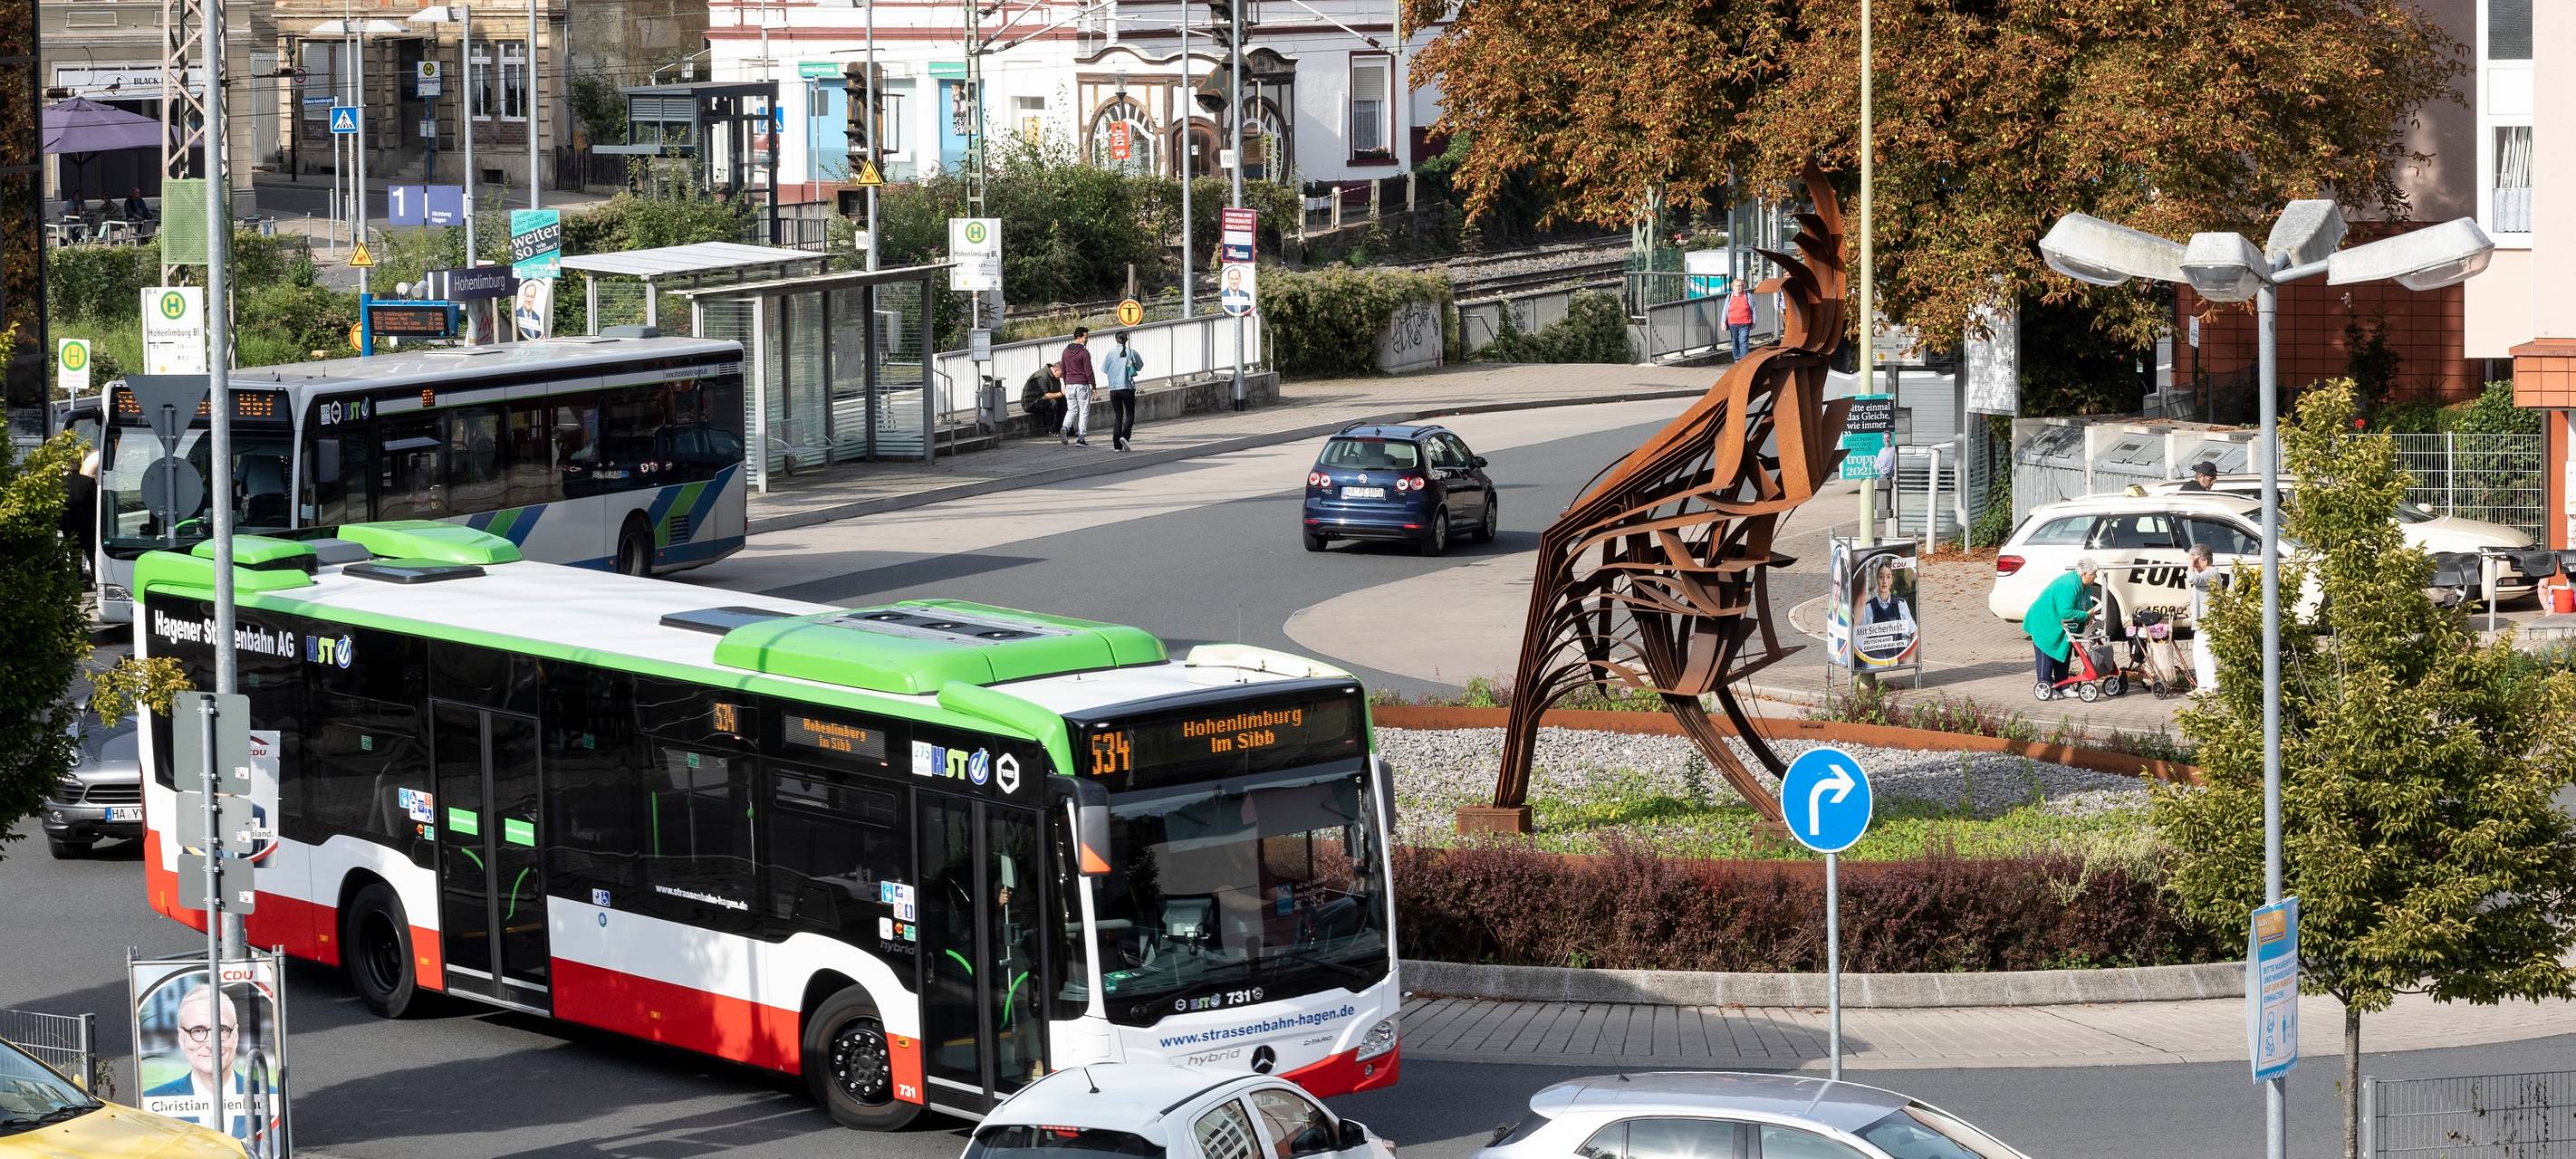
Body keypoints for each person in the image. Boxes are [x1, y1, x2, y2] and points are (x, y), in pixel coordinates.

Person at [145, 983, 263, 1147]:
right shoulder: (150, 1105)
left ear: (235, 1035)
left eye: (221, 1030)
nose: (211, 1044)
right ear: (181, 1038)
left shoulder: (269, 1097)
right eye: (198, 1031)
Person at [2024, 556, 2100, 698]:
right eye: (2094, 574)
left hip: (2062, 625)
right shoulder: (2069, 585)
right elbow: (2066, 611)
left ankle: (2063, 685)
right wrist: (2085, 615)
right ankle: (2046, 685)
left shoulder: (2085, 585)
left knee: (2064, 653)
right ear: (2084, 574)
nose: (2095, 576)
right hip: (2045, 622)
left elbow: (2086, 603)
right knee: (2047, 654)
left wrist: (2089, 614)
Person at [2187, 542, 2225, 691]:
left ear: (2204, 560)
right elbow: (2200, 593)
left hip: (2208, 620)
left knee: (2206, 652)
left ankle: (2213, 685)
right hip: (2201, 620)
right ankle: (2203, 685)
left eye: (2196, 561)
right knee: (2198, 653)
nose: (2194, 565)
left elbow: (2193, 580)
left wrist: (2190, 565)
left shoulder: (2211, 572)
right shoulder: (2204, 575)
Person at [1101, 330, 1144, 451]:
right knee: (1130, 415)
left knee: (1118, 416)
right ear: (1126, 339)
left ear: (1116, 340)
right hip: (1127, 388)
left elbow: (1104, 369)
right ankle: (1125, 437)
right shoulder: (1131, 352)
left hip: (1114, 389)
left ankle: (1117, 445)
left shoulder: (1110, 353)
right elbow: (1140, 366)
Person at [1058, 326, 1096, 446]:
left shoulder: (1065, 351)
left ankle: (1065, 427)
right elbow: (1089, 371)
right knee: (1084, 412)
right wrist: (1094, 386)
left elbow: (1063, 369)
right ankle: (1081, 438)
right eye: (1086, 337)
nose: (1087, 340)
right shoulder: (1084, 353)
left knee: (1072, 410)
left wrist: (1066, 383)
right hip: (1082, 385)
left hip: (1069, 385)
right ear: (1079, 338)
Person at [1020, 363, 1064, 437]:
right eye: (1062, 374)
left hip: (1041, 400)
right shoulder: (1041, 377)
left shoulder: (1055, 377)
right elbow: (1045, 396)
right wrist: (1062, 393)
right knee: (1052, 403)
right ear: (1056, 370)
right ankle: (1050, 430)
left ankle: (1065, 428)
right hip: (1030, 403)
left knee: (1064, 401)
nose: (1063, 376)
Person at [1725, 281, 1756, 360]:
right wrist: (1723, 322)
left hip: (1745, 323)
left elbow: (1753, 309)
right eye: (1736, 286)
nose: (1738, 288)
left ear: (1743, 287)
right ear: (1733, 287)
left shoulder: (1747, 296)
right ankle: (1737, 359)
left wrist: (1754, 321)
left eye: (1740, 286)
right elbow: (1725, 310)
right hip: (1732, 323)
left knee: (1743, 342)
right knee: (1735, 342)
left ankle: (1744, 360)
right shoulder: (1729, 297)